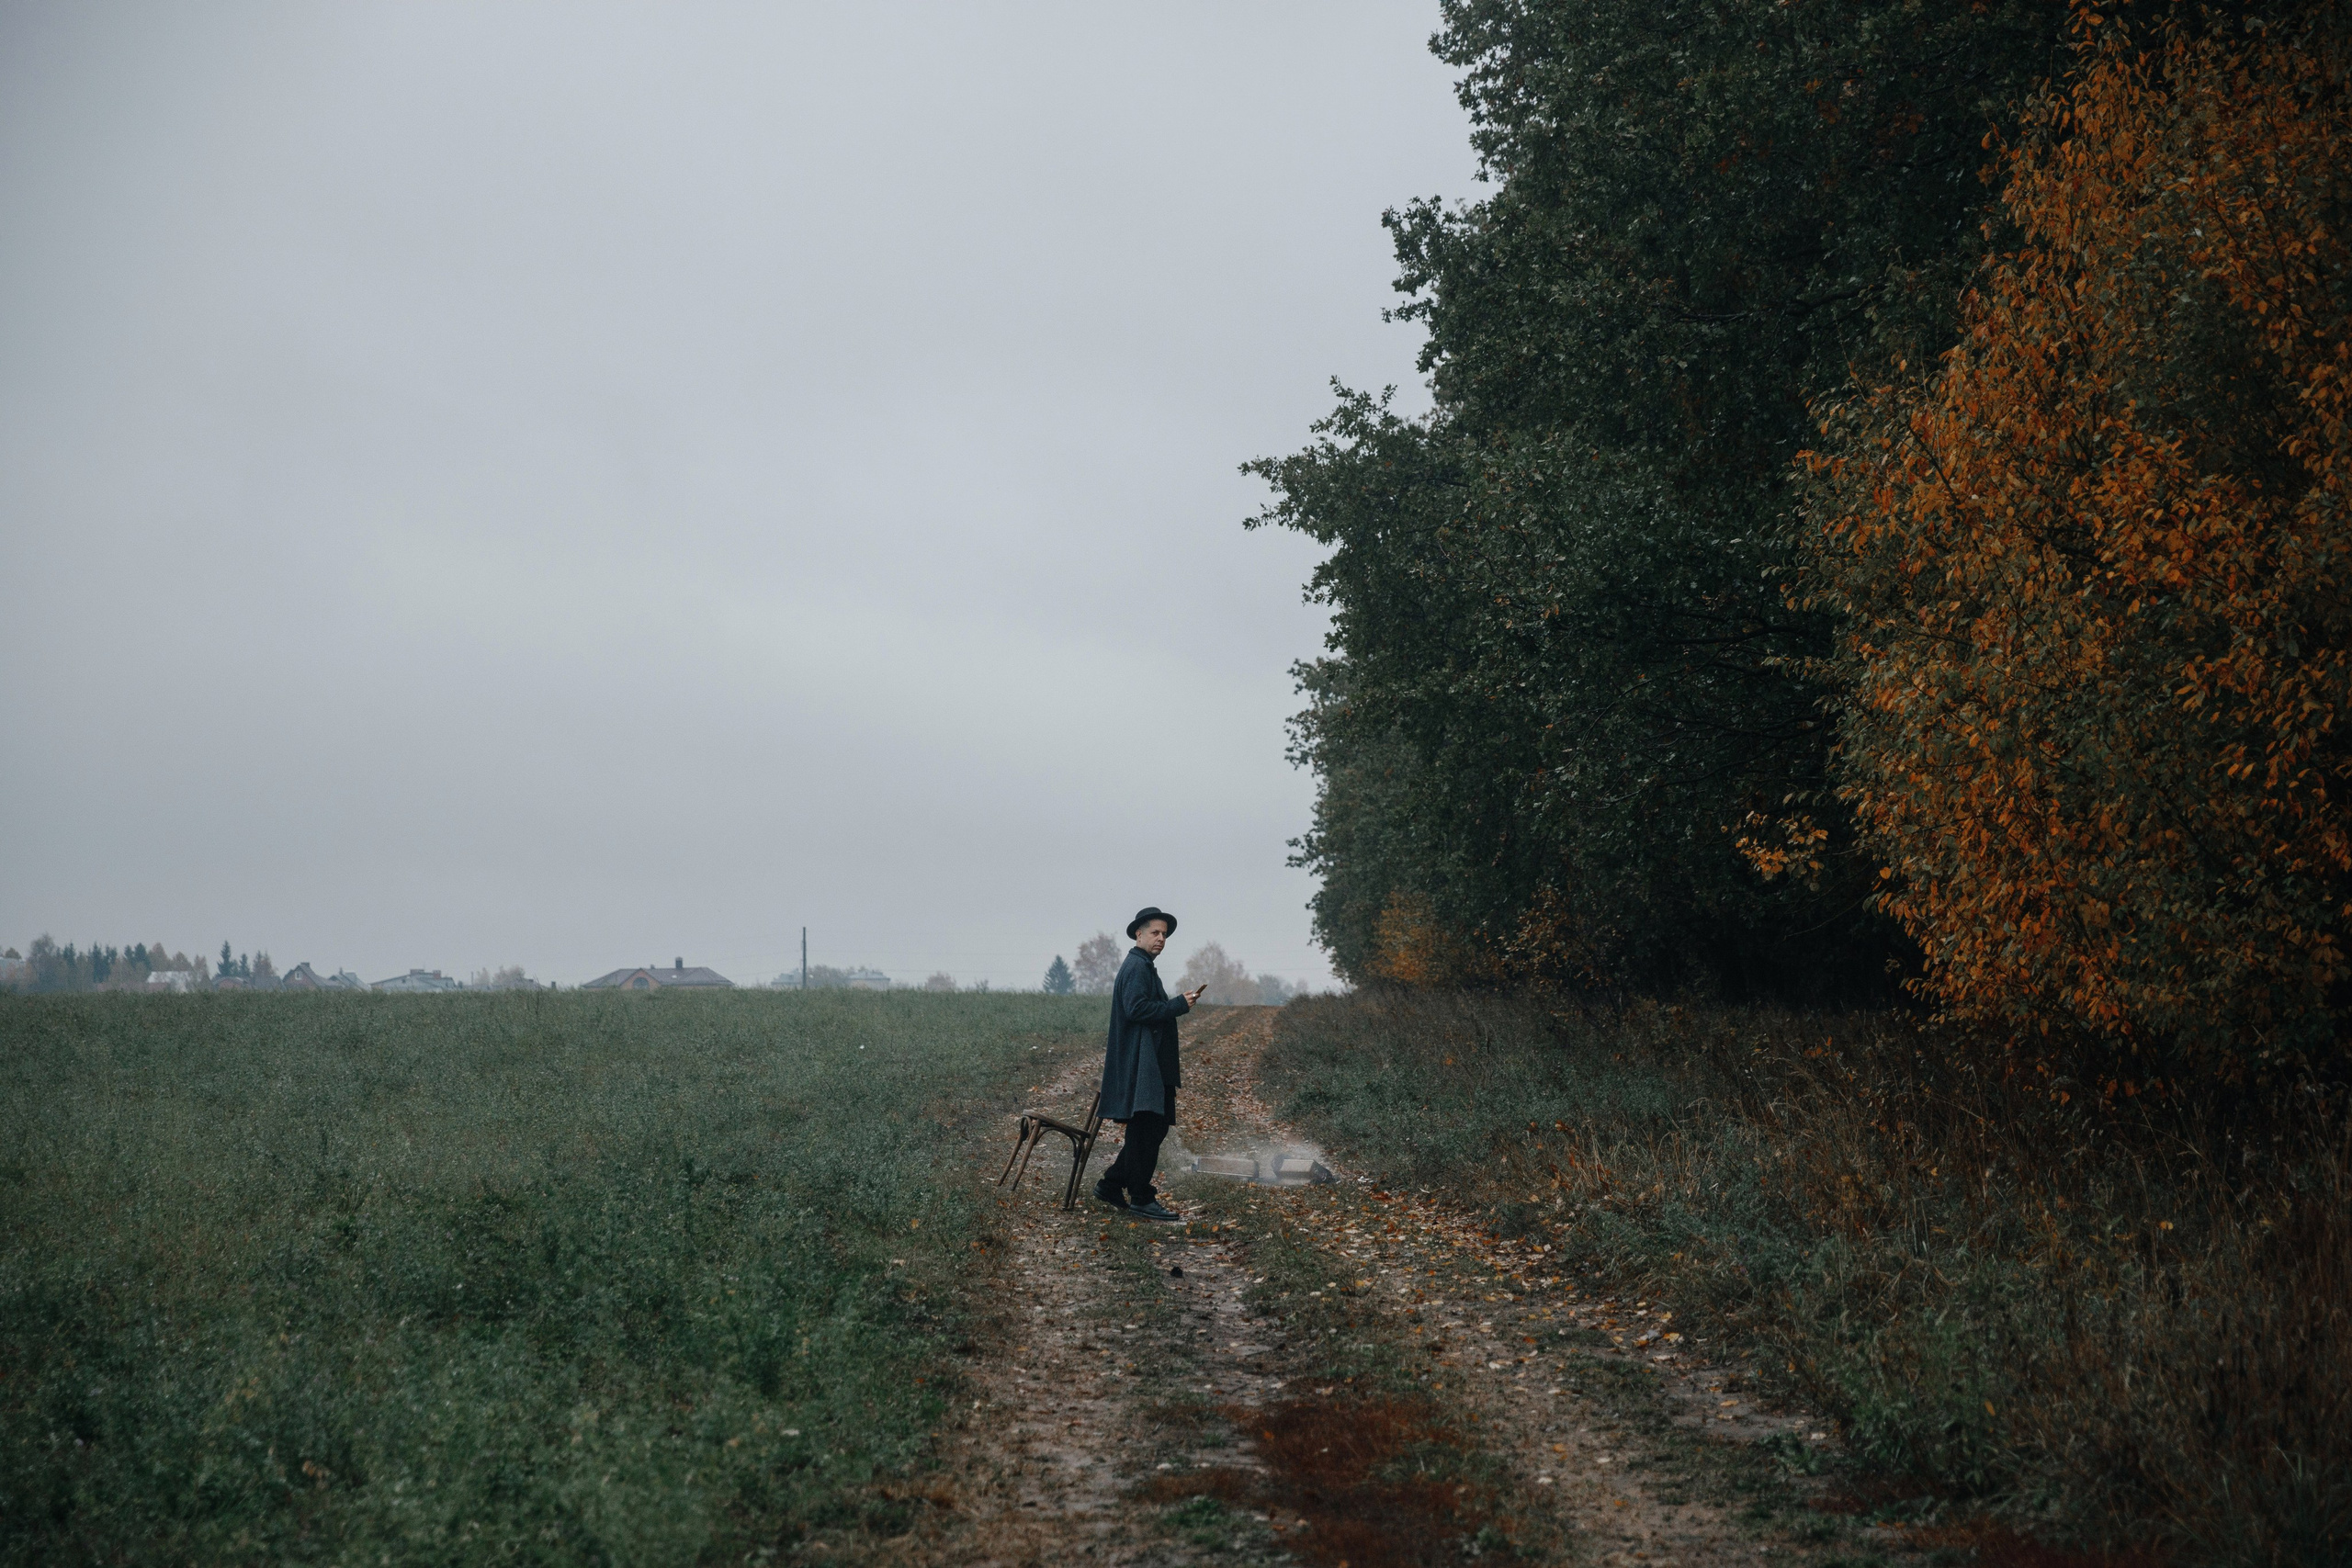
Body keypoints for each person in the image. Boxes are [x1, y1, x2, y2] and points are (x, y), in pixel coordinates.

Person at [1093, 906, 1203, 1221]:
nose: (1161, 939)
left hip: (1149, 1064)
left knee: (1151, 1128)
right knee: (1148, 1129)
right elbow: (1137, 1009)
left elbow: (1144, 1007)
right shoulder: (1137, 967)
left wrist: (1175, 1004)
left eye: (1164, 934)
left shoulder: (1144, 966)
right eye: (1155, 932)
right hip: (1141, 1065)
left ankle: (1111, 1184)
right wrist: (1178, 1005)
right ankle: (1141, 1197)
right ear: (1138, 934)